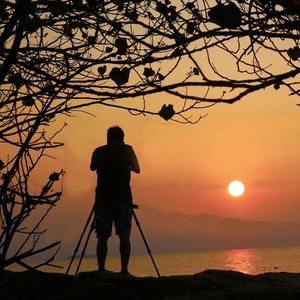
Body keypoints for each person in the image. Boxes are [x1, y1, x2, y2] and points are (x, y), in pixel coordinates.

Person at [90, 126, 140, 275]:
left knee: (102, 236)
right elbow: (137, 169)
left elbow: (92, 167)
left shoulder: (99, 151)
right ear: (122, 137)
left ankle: (101, 269)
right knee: (124, 236)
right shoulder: (127, 150)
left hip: (102, 200)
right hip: (123, 200)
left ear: (108, 137)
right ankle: (124, 270)